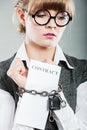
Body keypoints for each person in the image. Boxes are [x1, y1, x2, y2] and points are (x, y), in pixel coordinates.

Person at [0, 0, 87, 130]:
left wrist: (47, 84)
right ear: (22, 16)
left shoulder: (81, 70)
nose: (52, 25)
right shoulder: (2, 73)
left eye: (61, 17)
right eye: (41, 15)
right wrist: (30, 92)